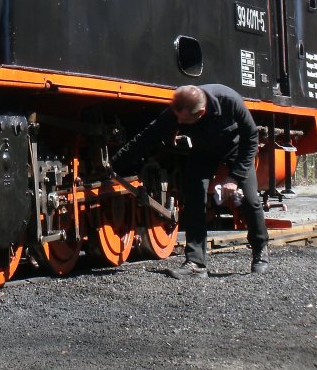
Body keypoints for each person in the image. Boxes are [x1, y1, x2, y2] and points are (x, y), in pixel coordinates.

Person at [111, 83, 269, 279]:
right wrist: (115, 163)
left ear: (201, 112)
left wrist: (234, 177)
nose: (178, 121)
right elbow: (149, 135)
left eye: (183, 120)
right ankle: (196, 263)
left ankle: (260, 250)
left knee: (250, 200)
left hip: (235, 148)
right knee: (195, 199)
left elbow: (251, 137)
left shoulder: (229, 100)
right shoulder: (179, 109)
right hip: (203, 150)